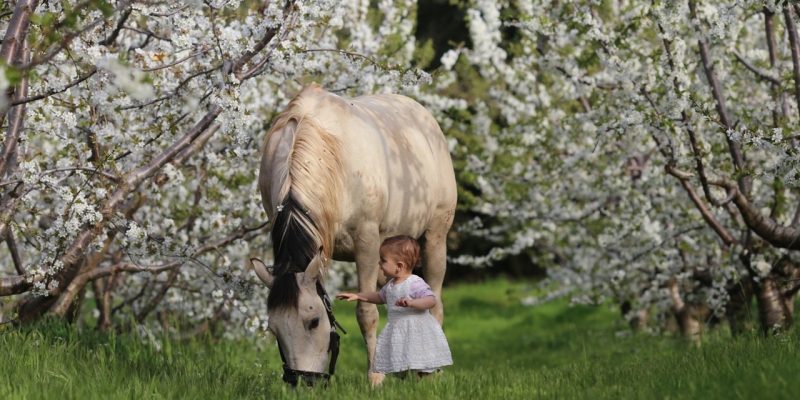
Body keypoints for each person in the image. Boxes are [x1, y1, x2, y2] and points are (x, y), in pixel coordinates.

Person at [336, 235, 453, 379]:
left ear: (399, 266)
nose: (379, 264)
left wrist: (412, 303)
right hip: (398, 329)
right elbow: (380, 297)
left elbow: (430, 300)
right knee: (400, 362)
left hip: (416, 330)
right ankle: (406, 384)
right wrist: (359, 296)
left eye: (383, 261)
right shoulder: (391, 285)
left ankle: (425, 381)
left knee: (421, 361)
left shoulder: (414, 283)